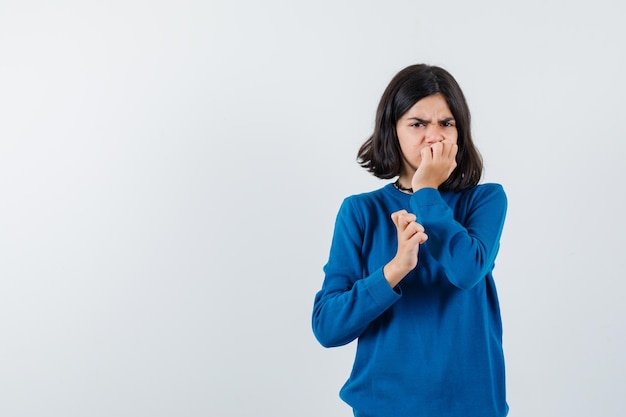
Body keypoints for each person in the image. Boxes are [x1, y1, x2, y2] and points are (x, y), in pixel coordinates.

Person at [312, 64, 509, 417]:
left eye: (446, 123)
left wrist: (426, 191)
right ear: (393, 131)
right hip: (383, 407)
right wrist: (395, 269)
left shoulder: (484, 200)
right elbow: (328, 327)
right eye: (417, 124)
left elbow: (466, 271)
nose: (434, 137)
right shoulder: (360, 211)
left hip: (472, 407)